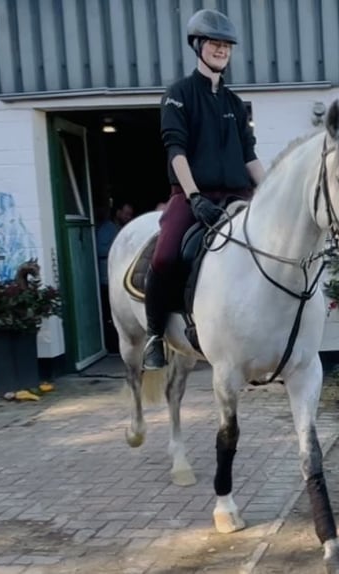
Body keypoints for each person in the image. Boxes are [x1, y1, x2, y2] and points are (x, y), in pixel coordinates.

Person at [143, 8, 266, 370]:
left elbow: (249, 157)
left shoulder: (233, 103)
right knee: (165, 255)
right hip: (193, 195)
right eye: (214, 43)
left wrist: (272, 191)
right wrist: (194, 196)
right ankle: (154, 334)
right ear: (197, 45)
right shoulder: (179, 94)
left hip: (237, 195)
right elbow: (175, 150)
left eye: (226, 45)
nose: (221, 50)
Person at [96, 200, 134, 353]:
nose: (129, 218)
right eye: (126, 214)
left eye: (130, 215)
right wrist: (118, 248)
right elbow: (99, 250)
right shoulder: (108, 229)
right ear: (117, 213)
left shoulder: (121, 228)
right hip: (107, 278)